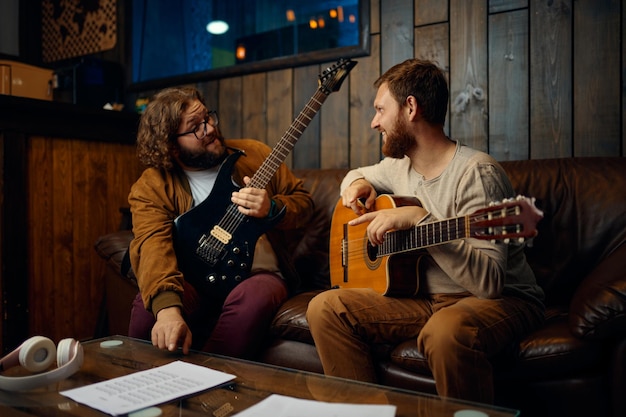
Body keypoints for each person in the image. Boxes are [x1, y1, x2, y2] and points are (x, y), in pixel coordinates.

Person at [306, 59, 545, 404]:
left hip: (496, 300)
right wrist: (355, 184)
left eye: (380, 110)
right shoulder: (397, 166)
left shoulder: (476, 173)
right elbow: (355, 173)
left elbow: (490, 283)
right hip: (425, 300)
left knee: (445, 331)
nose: (374, 122)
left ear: (411, 107)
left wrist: (419, 220)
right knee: (324, 308)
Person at [127, 86, 314, 358]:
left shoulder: (255, 154)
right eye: (196, 127)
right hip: (194, 277)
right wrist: (168, 310)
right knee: (148, 313)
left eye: (208, 117)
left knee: (252, 298)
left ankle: (209, 384)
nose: (210, 128)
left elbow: (305, 203)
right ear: (170, 145)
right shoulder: (152, 186)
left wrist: (272, 207)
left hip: (259, 274)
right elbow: (152, 244)